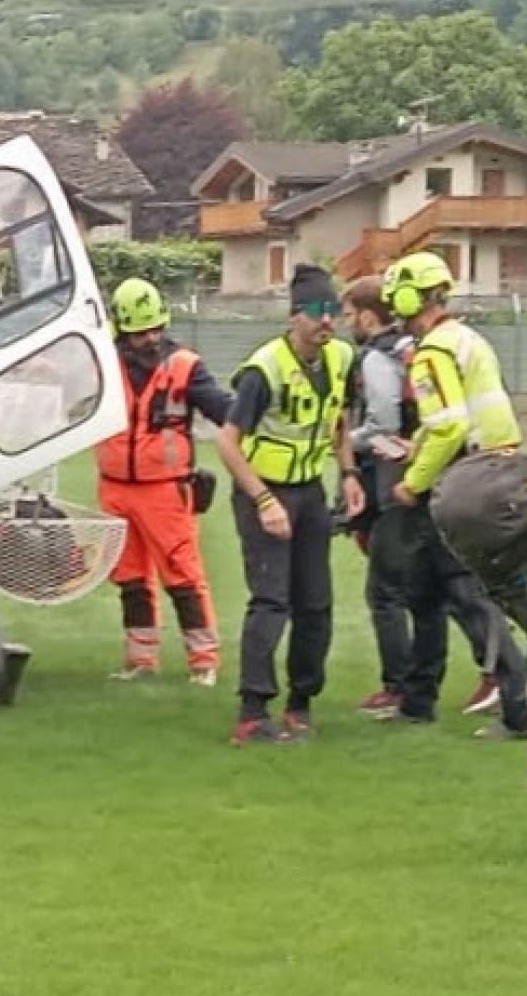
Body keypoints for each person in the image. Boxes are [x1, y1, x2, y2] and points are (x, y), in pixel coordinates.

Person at [385, 249, 527, 741]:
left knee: (466, 593)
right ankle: (417, 702)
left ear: (410, 297)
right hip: (493, 469)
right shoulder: (466, 338)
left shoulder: (431, 352)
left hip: (463, 478)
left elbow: (450, 425)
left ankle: (522, 710)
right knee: (425, 589)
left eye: (396, 301)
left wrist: (413, 481)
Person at [210, 263, 354, 746]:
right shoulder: (264, 369)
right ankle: (253, 713)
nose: (327, 321)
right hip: (265, 490)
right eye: (316, 311)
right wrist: (265, 500)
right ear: (295, 315)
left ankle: (301, 703)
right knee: (272, 601)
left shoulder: (340, 360)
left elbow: (339, 421)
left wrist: (349, 472)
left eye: (333, 310)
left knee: (316, 603)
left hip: (310, 490)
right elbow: (227, 444)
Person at [96, 276, 231, 687]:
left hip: (166, 489)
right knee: (131, 579)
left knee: (183, 576)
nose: (151, 338)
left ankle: (204, 661)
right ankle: (141, 660)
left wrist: (254, 409)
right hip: (116, 486)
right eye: (141, 332)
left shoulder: (185, 366)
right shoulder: (104, 364)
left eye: (156, 328)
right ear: (122, 330)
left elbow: (225, 410)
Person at [342, 278, 435, 722]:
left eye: (348, 314)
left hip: (395, 479)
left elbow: (382, 422)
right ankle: (492, 672)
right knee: (438, 587)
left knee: (386, 590)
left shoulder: (378, 357)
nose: (346, 324)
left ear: (365, 314)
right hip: (429, 471)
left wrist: (340, 440)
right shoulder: (412, 348)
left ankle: (397, 686)